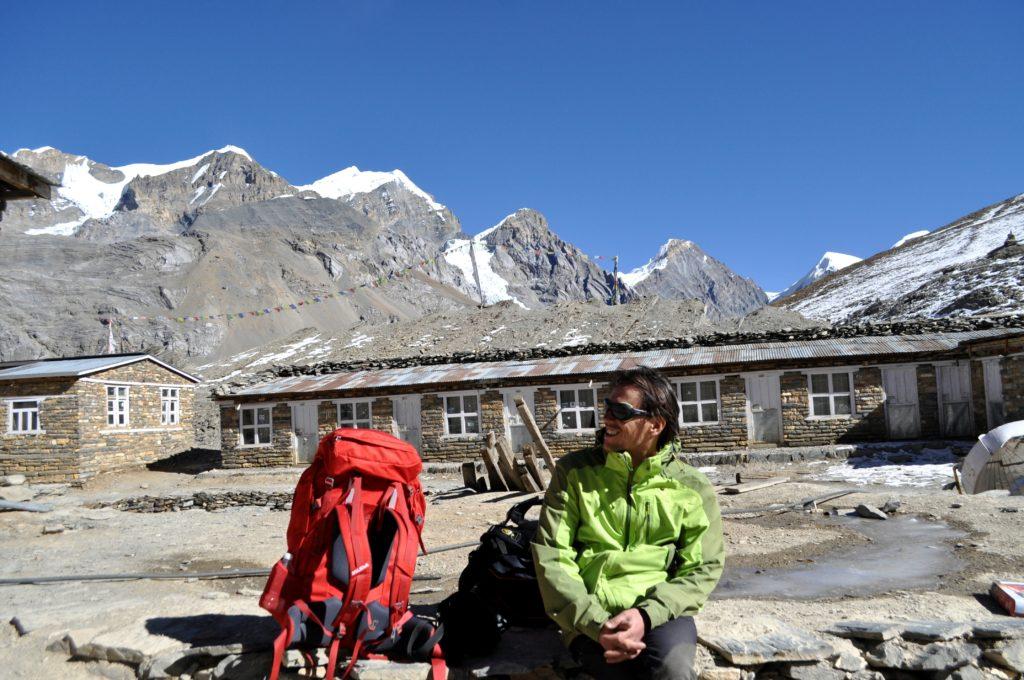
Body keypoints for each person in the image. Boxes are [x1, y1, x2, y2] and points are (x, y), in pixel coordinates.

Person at [531, 367, 725, 680]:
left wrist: (646, 616)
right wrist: (596, 623)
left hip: (661, 612)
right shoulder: (574, 473)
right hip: (590, 612)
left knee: (671, 670)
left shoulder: (692, 487)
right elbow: (553, 557)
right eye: (606, 407)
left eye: (620, 411)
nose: (607, 418)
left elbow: (703, 567)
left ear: (655, 425)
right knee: (618, 669)